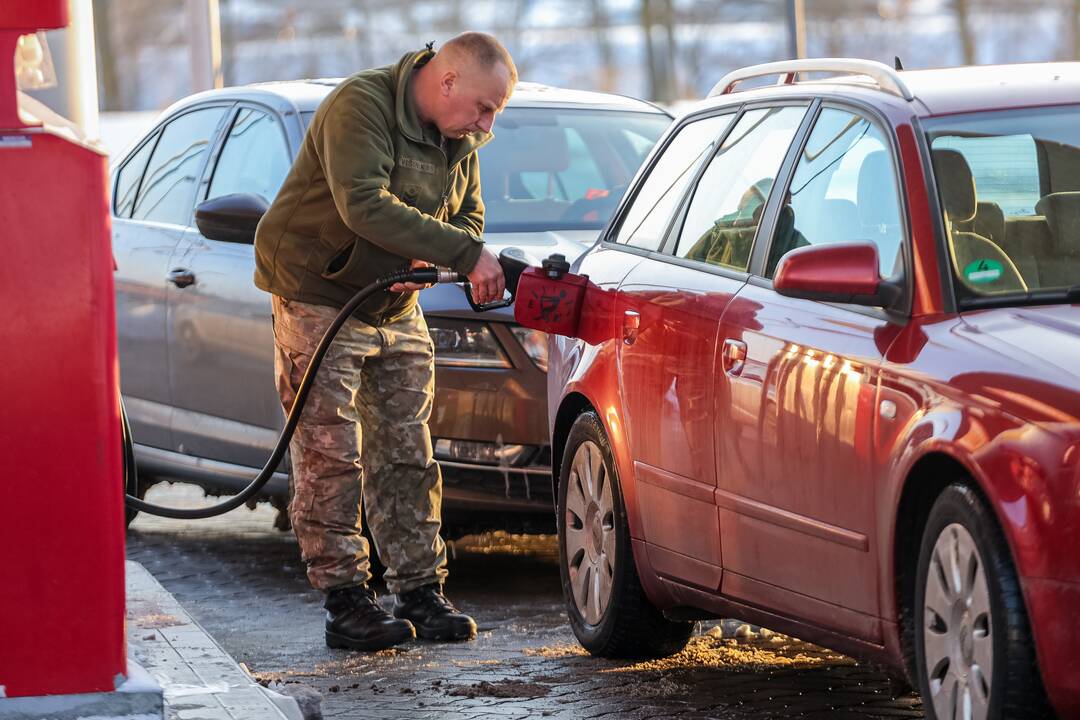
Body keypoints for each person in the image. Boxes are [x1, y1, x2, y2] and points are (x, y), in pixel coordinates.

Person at [253, 32, 516, 651]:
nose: (486, 125)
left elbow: (470, 217)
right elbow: (363, 205)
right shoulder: (361, 105)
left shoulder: (462, 136)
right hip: (321, 290)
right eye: (482, 108)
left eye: (494, 113)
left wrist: (460, 249)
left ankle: (420, 588)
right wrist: (460, 253)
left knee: (406, 444)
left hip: (393, 296)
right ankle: (346, 598)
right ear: (446, 81)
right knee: (330, 448)